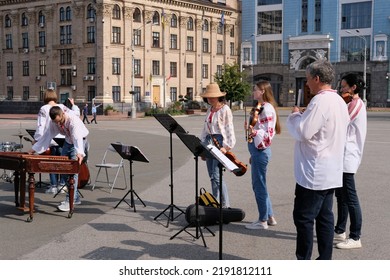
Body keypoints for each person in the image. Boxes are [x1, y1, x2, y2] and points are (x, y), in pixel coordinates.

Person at [286, 60, 349, 260]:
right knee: (324, 218)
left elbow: (304, 132)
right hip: (330, 170)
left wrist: (295, 116)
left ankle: (303, 260)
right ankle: (324, 259)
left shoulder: (320, 101)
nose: (306, 84)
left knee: (304, 219)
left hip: (314, 173)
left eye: (307, 79)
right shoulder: (338, 100)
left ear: (317, 78)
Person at [29, 106, 89, 212]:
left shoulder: (72, 121)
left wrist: (79, 152)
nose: (59, 124)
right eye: (56, 122)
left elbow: (77, 138)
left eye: (60, 121)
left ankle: (69, 200)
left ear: (62, 114)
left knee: (73, 171)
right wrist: (34, 149)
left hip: (79, 141)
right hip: (68, 142)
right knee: (63, 168)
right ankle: (75, 197)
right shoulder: (54, 122)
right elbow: (47, 136)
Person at [334, 73, 367, 249]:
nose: (342, 89)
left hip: (348, 156)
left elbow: (341, 121)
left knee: (350, 197)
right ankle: (340, 230)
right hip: (343, 156)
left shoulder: (355, 104)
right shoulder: (351, 102)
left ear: (353, 87)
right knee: (341, 196)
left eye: (344, 86)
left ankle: (355, 236)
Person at [245, 81, 281, 230]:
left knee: (258, 185)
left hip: (260, 150)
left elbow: (268, 134)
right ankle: (270, 216)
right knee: (261, 185)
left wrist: (254, 132)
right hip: (257, 151)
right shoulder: (261, 107)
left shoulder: (267, 109)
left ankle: (262, 220)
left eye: (256, 90)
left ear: (263, 91)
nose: (253, 91)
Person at [33, 90, 80, 194]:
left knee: (53, 163)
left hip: (53, 140)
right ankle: (63, 185)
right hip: (65, 139)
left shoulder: (43, 108)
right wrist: (74, 106)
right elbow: (75, 114)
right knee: (63, 163)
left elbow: (41, 126)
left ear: (45, 97)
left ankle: (53, 185)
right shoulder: (61, 107)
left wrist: (37, 140)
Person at [200, 83, 236, 208]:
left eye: (213, 97)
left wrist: (226, 147)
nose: (210, 99)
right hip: (209, 141)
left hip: (220, 141)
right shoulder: (210, 110)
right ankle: (216, 202)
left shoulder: (225, 109)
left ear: (219, 97)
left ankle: (225, 205)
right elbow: (205, 128)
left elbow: (229, 129)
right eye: (208, 97)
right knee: (211, 175)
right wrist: (202, 147)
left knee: (217, 175)